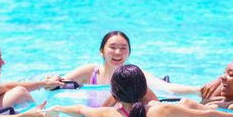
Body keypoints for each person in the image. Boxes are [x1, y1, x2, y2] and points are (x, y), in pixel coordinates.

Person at [50, 64, 233, 117]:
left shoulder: (107, 115)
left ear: (114, 93)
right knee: (187, 105)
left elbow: (79, 109)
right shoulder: (162, 111)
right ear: (144, 89)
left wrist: (56, 108)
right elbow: (209, 116)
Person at [62, 30, 199, 95]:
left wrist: (198, 90)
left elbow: (167, 88)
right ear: (101, 51)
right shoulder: (90, 72)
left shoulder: (134, 74)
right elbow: (58, 83)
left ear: (129, 52)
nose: (118, 52)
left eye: (123, 48)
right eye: (112, 47)